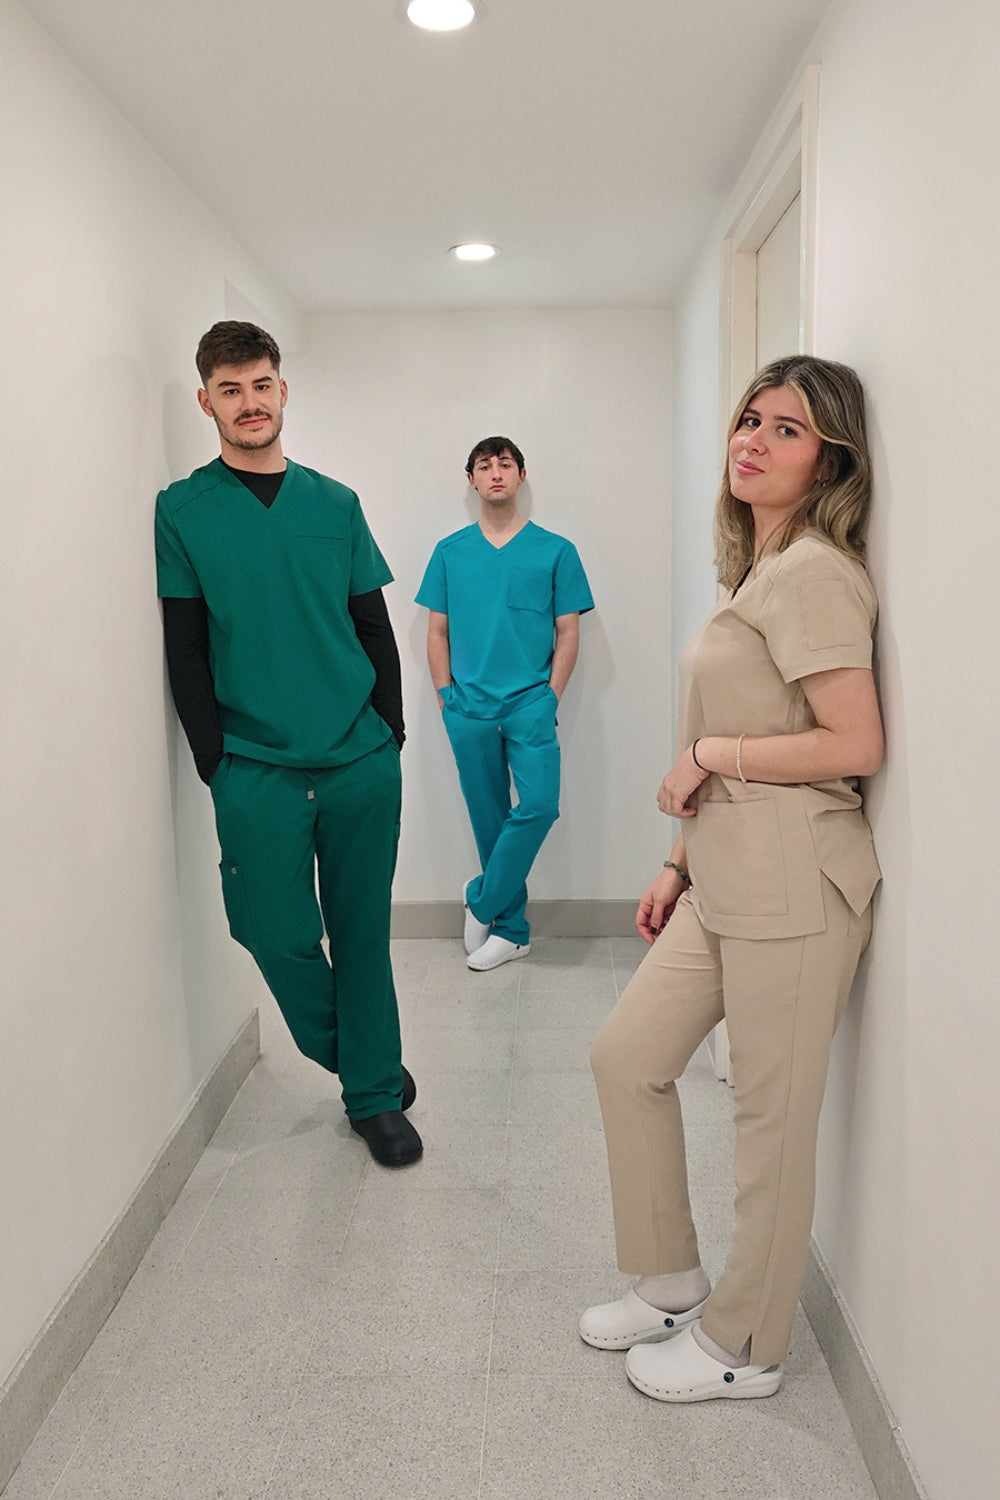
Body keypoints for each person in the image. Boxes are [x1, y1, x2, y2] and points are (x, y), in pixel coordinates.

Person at [580, 355, 883, 1401]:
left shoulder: (815, 573)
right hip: (725, 874)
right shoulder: (758, 571)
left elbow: (855, 740)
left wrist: (710, 760)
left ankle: (743, 1346)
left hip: (796, 882)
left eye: (787, 429)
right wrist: (675, 860)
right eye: (748, 419)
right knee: (626, 1058)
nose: (752, 439)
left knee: (769, 1119)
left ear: (830, 460)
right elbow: (732, 716)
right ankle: (668, 1281)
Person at [155, 321, 421, 1168]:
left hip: (357, 759)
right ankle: (363, 1059)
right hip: (256, 767)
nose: (249, 402)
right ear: (207, 402)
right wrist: (215, 764)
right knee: (271, 929)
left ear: (281, 391)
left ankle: (374, 1101)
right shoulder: (184, 511)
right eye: (229, 390)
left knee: (361, 931)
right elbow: (186, 648)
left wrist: (392, 734)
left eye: (261, 384)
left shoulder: (335, 504)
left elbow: (373, 628)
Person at [416, 437, 594, 970]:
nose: (495, 473)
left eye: (505, 464)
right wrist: (447, 698)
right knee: (489, 820)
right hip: (468, 707)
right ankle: (513, 930)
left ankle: (482, 898)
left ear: (521, 476)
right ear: (471, 480)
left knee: (539, 805)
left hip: (529, 705)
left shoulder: (555, 551)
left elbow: (568, 633)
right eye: (484, 466)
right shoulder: (450, 552)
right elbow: (436, 632)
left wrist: (549, 697)